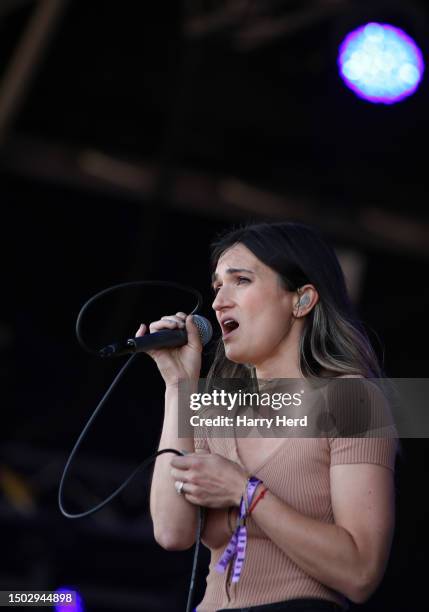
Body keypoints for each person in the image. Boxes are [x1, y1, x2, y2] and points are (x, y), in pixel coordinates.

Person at [138, 222, 399, 612]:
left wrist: (246, 492)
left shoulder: (353, 400)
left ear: (302, 300)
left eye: (240, 280)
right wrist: (178, 387)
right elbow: (172, 531)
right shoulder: (214, 410)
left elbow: (360, 573)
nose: (218, 301)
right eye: (217, 286)